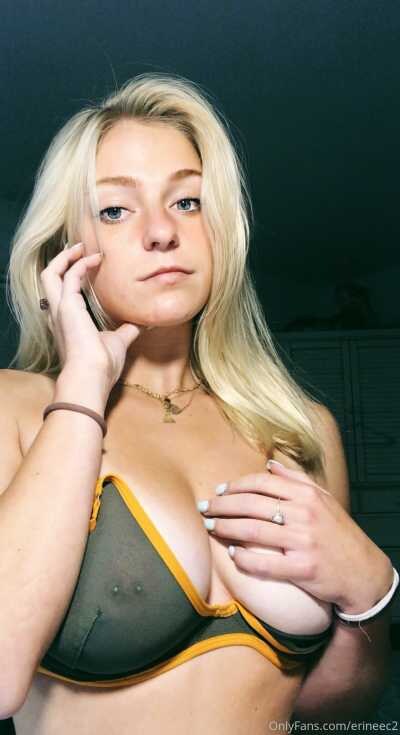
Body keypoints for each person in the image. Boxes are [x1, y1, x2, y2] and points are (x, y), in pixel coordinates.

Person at [0, 72, 398, 734]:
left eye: (187, 201)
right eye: (115, 210)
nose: (162, 232)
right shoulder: (16, 408)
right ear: (64, 246)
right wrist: (84, 385)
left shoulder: (299, 431)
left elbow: (333, 709)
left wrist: (371, 592)